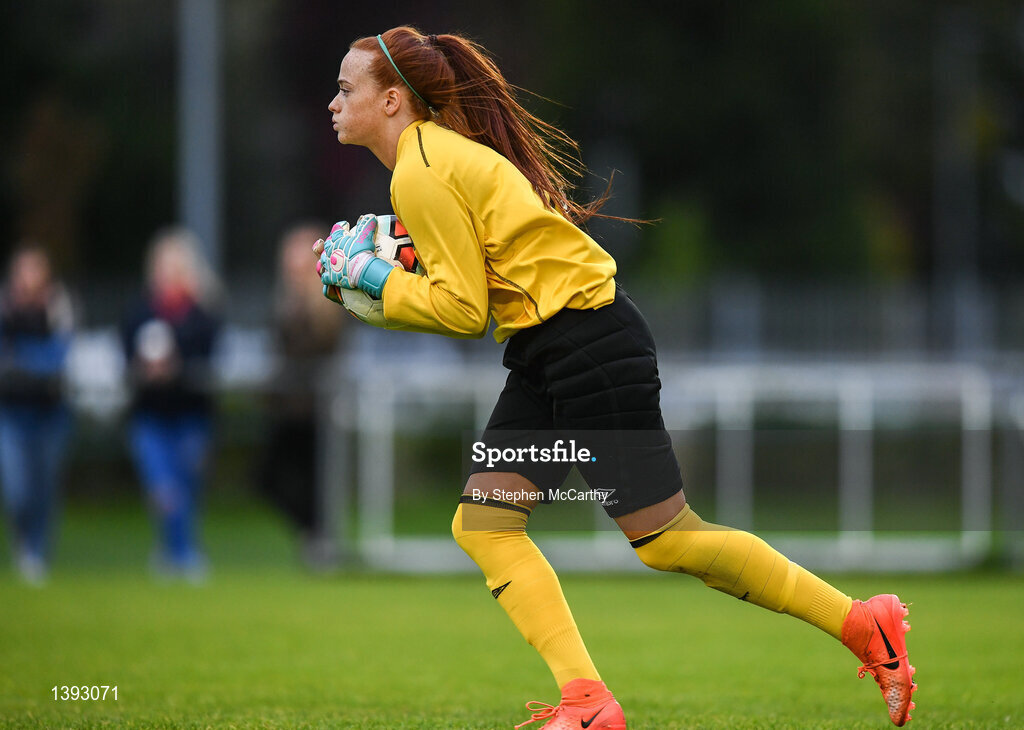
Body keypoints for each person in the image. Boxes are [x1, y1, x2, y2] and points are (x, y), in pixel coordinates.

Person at [314, 26, 917, 729]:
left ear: (391, 101)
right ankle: (587, 703)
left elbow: (461, 311)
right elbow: (470, 286)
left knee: (667, 540)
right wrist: (388, 279)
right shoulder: (426, 160)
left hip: (585, 342)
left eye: (346, 89)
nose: (334, 102)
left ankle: (861, 623)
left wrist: (376, 284)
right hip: (551, 347)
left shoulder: (420, 168)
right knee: (485, 523)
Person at [122, 228, 221, 581]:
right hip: (150, 415)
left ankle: (182, 551)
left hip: (191, 415)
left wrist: (175, 365)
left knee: (187, 485)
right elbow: (126, 355)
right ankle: (175, 552)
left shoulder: (202, 313)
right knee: (163, 488)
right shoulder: (139, 311)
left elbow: (209, 355)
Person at [257, 221, 347, 568]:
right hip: (287, 408)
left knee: (313, 481)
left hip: (316, 409)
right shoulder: (285, 301)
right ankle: (313, 534)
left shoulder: (326, 300)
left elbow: (323, 350)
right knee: (270, 479)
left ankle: (318, 539)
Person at [0, 245, 74, 584]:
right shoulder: (5, 308)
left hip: (50, 412)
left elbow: (59, 356)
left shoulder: (59, 307)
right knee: (18, 488)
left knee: (45, 486)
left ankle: (37, 552)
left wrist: (23, 363)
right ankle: (22, 541)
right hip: (11, 411)